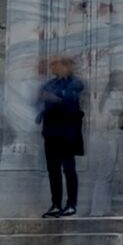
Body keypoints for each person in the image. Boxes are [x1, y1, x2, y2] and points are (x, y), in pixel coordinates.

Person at [36, 55, 85, 219]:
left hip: (68, 132)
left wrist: (55, 98)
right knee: (53, 169)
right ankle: (56, 203)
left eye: (56, 64)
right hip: (52, 131)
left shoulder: (75, 83)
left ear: (65, 66)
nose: (52, 67)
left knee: (69, 168)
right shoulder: (50, 84)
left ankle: (71, 204)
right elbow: (40, 98)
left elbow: (71, 101)